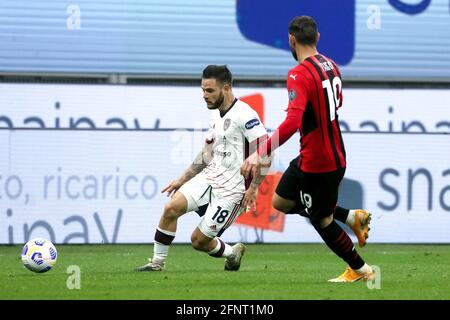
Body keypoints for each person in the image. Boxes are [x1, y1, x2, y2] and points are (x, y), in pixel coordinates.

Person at [241, 16, 374, 282]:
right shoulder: (332, 65)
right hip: (319, 153)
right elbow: (335, 103)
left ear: (291, 40)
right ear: (318, 37)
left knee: (321, 220)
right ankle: (351, 217)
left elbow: (292, 122)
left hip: (319, 162)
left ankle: (362, 270)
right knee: (281, 201)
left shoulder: (297, 74)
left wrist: (259, 152)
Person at [136, 65, 270, 272]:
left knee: (198, 241)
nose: (204, 96)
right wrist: (182, 179)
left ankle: (231, 253)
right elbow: (206, 155)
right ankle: (157, 263)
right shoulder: (216, 116)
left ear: (226, 88)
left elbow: (266, 151)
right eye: (203, 90)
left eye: (209, 91)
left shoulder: (245, 114)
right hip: (210, 177)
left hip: (233, 190)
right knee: (171, 208)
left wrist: (253, 188)